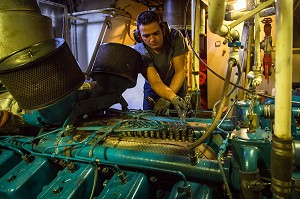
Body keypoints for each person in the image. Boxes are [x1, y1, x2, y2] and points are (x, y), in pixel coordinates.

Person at [133, 10, 189, 117]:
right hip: (154, 91)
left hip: (177, 85)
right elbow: (155, 82)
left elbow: (180, 70)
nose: (152, 39)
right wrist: (171, 97)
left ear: (164, 29)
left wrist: (172, 97)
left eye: (156, 33)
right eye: (146, 36)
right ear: (139, 36)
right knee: (151, 125)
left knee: (181, 124)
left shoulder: (175, 37)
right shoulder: (140, 51)